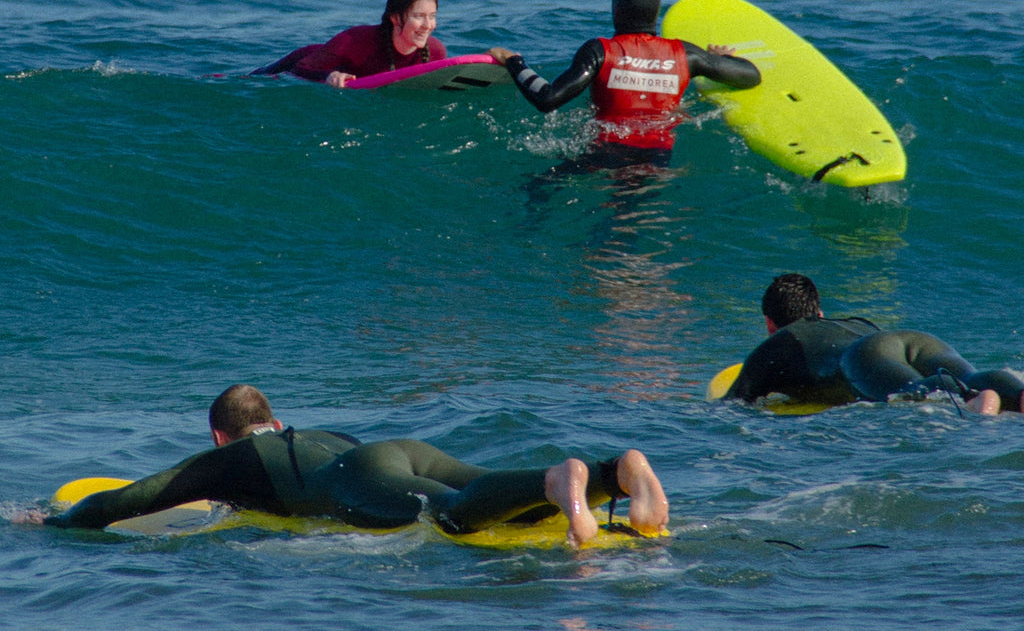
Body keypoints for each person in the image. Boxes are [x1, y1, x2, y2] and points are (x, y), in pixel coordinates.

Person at [41, 384, 669, 547]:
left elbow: (133, 499)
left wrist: (53, 524)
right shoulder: (308, 432)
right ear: (276, 420)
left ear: (218, 435)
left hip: (356, 479)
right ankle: (617, 472)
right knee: (476, 485)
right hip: (390, 449)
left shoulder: (229, 459)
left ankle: (555, 481)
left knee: (450, 516)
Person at [488, 0, 761, 166]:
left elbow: (547, 98)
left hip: (603, 150)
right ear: (655, 12)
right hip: (656, 157)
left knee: (543, 185)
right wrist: (717, 59)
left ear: (616, 10)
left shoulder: (600, 51)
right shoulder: (686, 55)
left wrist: (513, 61)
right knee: (628, 218)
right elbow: (751, 76)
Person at [725, 273, 1024, 414]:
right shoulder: (848, 323)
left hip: (862, 356)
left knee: (911, 392)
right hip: (905, 339)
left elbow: (729, 405)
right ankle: (1016, 393)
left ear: (769, 324)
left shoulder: (776, 345)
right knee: (971, 375)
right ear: (819, 313)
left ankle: (973, 400)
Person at [252, 0, 445, 87]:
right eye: (419, 16)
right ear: (395, 18)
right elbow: (299, 69)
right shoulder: (355, 41)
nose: (428, 25)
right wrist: (329, 75)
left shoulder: (435, 52)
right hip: (310, 60)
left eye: (432, 16)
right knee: (251, 81)